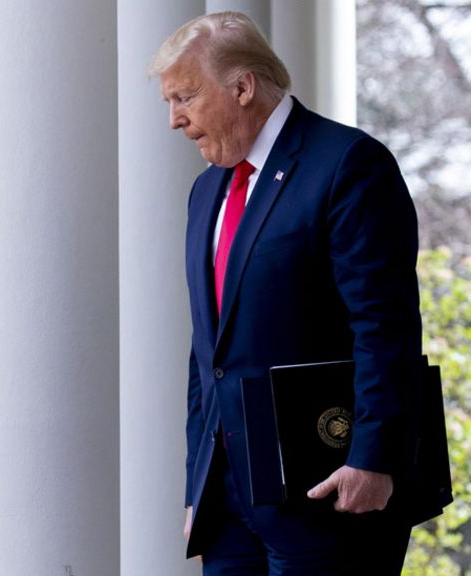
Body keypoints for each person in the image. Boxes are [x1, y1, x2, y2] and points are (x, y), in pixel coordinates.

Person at [150, 12, 424, 575]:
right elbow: (208, 352)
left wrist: (373, 458)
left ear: (242, 87)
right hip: (228, 506)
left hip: (328, 490)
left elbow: (384, 327)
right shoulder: (206, 190)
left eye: (185, 97)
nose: (175, 119)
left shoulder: (347, 164)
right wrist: (197, 487)